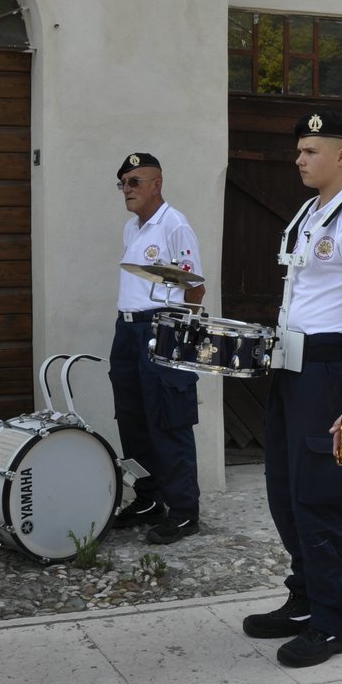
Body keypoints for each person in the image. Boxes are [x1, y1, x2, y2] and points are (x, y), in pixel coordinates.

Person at [244, 110, 342, 668]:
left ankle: (332, 622)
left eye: (310, 151)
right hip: (292, 367)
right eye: (299, 150)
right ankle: (304, 597)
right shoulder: (312, 212)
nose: (299, 159)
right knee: (284, 487)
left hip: (329, 370)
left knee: (319, 497)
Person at [109, 152, 205, 545]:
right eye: (123, 184)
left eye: (134, 182)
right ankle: (149, 499)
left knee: (168, 420)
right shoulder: (132, 228)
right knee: (132, 420)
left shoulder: (174, 225)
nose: (127, 191)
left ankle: (184, 512)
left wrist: (181, 333)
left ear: (156, 184)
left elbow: (194, 286)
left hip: (162, 327)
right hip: (127, 328)